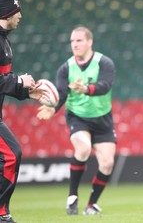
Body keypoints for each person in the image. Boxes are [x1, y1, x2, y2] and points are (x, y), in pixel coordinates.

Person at [37, 26, 117, 216]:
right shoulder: (66, 68)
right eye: (72, 41)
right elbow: (62, 94)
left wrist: (86, 89)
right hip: (78, 117)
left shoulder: (104, 63)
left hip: (103, 118)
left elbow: (104, 86)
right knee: (83, 149)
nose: (75, 44)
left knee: (107, 163)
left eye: (79, 40)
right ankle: (72, 197)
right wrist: (52, 108)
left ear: (89, 42)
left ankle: (91, 205)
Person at [0, 0, 46, 223]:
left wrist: (26, 91)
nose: (20, 15)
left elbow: (2, 81)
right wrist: (19, 81)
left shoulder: (4, 41)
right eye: (16, 10)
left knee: (11, 155)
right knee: (11, 155)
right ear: (5, 13)